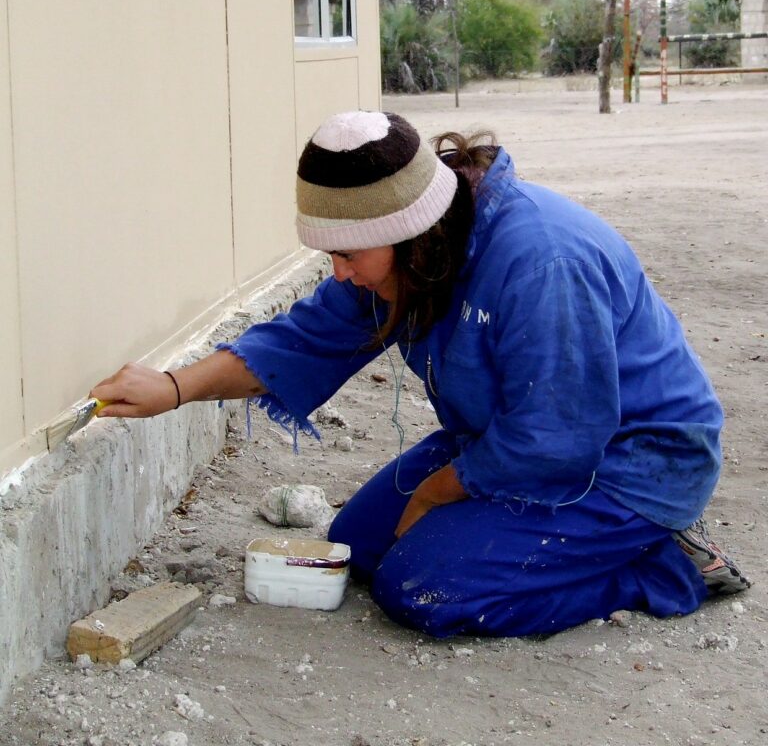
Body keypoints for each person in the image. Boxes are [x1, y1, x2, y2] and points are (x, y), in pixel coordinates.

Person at [92, 110, 750, 638]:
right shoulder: (413, 251)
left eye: (347, 255)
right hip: (509, 438)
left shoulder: (542, 263)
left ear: (409, 231)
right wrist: (173, 388)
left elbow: (558, 436)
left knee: (422, 588)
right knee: (356, 547)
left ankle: (661, 566)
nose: (339, 273)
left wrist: (438, 493)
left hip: (624, 463)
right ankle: (564, 545)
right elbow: (303, 339)